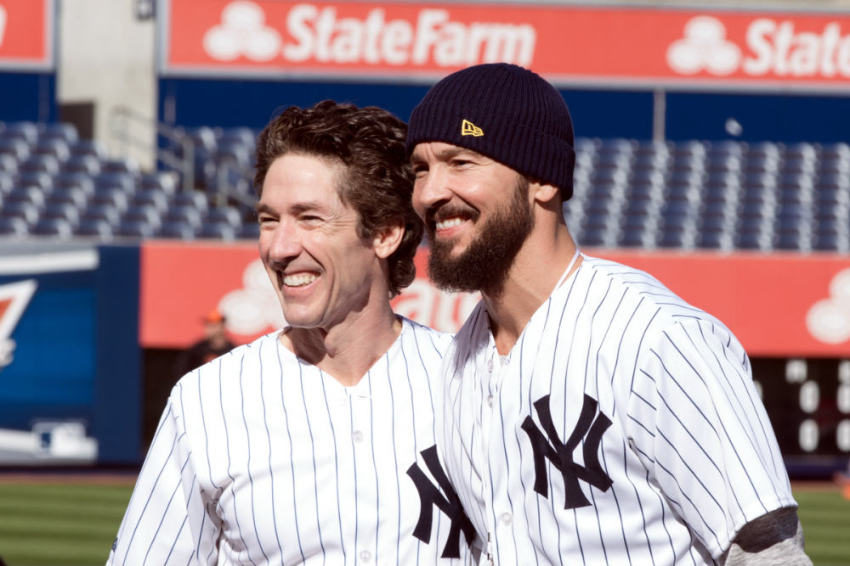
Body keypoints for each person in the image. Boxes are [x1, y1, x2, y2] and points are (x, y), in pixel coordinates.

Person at [406, 63, 812, 565]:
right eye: (420, 169)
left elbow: (767, 553)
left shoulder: (657, 337)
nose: (429, 193)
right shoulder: (462, 360)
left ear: (542, 179)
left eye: (460, 161)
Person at [107, 100, 477, 565]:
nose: (279, 248)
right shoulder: (206, 400)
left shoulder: (473, 380)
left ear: (385, 234)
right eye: (268, 219)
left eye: (309, 217)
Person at [175, 308, 236, 376]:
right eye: (207, 326)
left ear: (222, 327)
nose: (209, 330)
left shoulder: (233, 351)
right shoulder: (196, 350)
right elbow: (182, 371)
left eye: (213, 326)